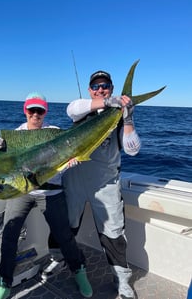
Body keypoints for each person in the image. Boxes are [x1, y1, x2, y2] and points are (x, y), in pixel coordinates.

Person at [0, 92, 93, 299]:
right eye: (32, 110)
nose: (36, 114)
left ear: (45, 112)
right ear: (25, 111)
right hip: (22, 191)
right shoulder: (15, 136)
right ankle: (3, 282)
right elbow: (6, 168)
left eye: (40, 110)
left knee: (64, 235)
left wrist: (71, 161)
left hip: (51, 191)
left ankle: (79, 270)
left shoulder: (54, 132)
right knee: (9, 235)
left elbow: (61, 161)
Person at [62, 69, 141, 299]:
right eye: (95, 86)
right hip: (75, 180)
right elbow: (71, 108)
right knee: (67, 226)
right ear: (90, 90)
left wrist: (127, 118)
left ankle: (122, 280)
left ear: (112, 87)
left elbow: (133, 150)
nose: (100, 89)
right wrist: (107, 102)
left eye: (105, 85)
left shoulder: (116, 118)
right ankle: (58, 261)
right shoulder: (81, 112)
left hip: (106, 184)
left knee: (113, 233)